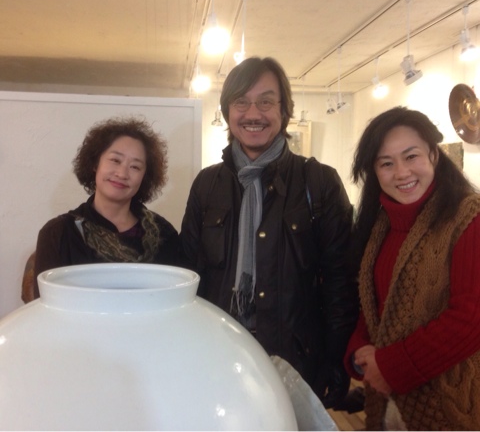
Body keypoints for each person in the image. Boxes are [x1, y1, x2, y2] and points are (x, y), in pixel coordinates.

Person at [180, 56, 358, 409]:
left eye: (265, 101)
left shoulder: (318, 182)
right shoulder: (207, 184)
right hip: (218, 352)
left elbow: (340, 283)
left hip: (294, 359)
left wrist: (335, 361)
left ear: (284, 110)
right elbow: (189, 274)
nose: (253, 114)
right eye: (241, 102)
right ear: (227, 111)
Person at [345, 106, 480, 430]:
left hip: (450, 407)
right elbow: (374, 304)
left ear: (433, 154)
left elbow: (471, 316)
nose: (402, 173)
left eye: (411, 156)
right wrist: (358, 352)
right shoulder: (379, 225)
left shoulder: (468, 217)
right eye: (386, 163)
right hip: (385, 402)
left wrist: (391, 368)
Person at [30, 116, 179, 300]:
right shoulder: (58, 234)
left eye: (135, 167)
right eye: (115, 160)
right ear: (95, 164)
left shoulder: (165, 235)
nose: (122, 173)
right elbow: (46, 306)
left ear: (145, 177)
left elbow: (177, 301)